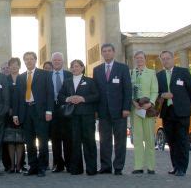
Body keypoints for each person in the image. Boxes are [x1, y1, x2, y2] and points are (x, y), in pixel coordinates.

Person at [13, 51, 54, 177]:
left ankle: (42, 167)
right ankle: (33, 166)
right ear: (24, 61)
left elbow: (50, 94)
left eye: (31, 59)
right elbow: (17, 97)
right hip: (25, 112)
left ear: (35, 60)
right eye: (26, 59)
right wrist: (15, 114)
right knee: (29, 142)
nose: (29, 61)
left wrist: (49, 111)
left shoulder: (45, 74)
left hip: (40, 111)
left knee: (42, 141)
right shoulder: (20, 77)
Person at [93, 43, 131, 175]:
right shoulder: (96, 70)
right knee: (104, 141)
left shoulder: (123, 68)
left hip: (120, 111)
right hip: (103, 111)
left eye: (109, 51)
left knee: (120, 141)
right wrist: (96, 110)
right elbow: (96, 92)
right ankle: (106, 166)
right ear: (102, 53)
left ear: (114, 52)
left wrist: (126, 108)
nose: (107, 53)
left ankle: (119, 167)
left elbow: (127, 89)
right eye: (104, 51)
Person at [157, 50, 191, 177]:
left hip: (182, 112)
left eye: (167, 58)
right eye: (163, 59)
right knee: (171, 141)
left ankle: (182, 168)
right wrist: (162, 95)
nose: (165, 61)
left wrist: (183, 101)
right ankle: (175, 166)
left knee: (182, 140)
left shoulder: (183, 72)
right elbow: (156, 92)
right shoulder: (159, 75)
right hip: (167, 112)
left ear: (173, 59)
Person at [58, 59, 99, 175]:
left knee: (89, 142)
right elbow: (61, 96)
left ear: (82, 68)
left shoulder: (90, 81)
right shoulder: (67, 82)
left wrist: (83, 99)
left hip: (87, 115)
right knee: (74, 142)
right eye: (73, 66)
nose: (75, 68)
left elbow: (96, 96)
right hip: (73, 116)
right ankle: (76, 169)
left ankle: (91, 169)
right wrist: (68, 99)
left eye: (77, 66)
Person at [130, 51, 159, 175]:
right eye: (137, 58)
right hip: (135, 109)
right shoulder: (130, 73)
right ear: (135, 60)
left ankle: (151, 166)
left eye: (141, 58)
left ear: (145, 59)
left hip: (147, 109)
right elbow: (128, 90)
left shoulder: (151, 73)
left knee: (149, 139)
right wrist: (133, 102)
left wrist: (150, 103)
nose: (139, 60)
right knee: (137, 139)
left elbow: (155, 90)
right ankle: (138, 166)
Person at [49, 52, 72, 173]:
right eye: (54, 60)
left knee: (68, 138)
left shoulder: (69, 74)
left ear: (63, 61)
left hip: (66, 109)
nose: (56, 62)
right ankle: (58, 164)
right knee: (55, 138)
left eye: (59, 60)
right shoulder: (47, 75)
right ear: (52, 62)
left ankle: (69, 163)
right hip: (52, 109)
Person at [4, 57, 25, 173]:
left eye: (16, 65)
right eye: (11, 65)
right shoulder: (4, 79)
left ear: (19, 66)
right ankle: (11, 165)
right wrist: (8, 109)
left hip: (22, 113)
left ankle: (19, 165)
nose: (14, 67)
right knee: (10, 140)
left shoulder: (24, 78)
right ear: (9, 67)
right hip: (8, 114)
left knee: (20, 140)